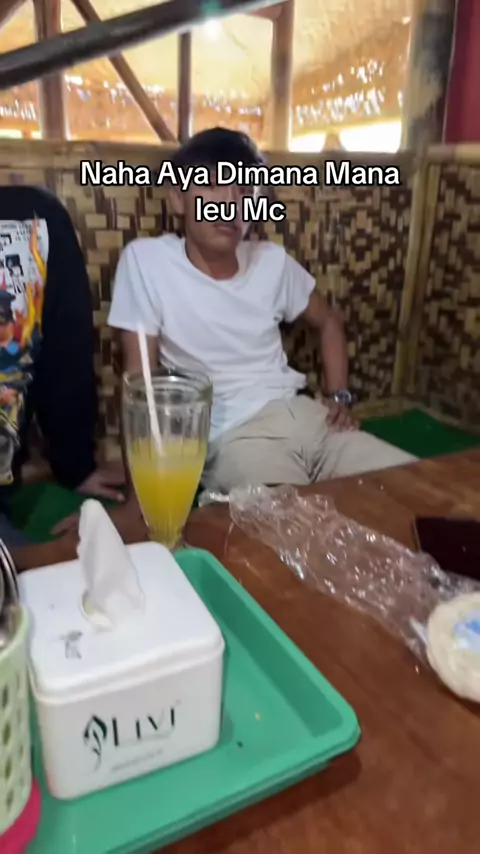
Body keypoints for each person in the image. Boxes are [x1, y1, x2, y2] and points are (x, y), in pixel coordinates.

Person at [108, 127, 416, 495]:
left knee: (421, 486)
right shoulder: (147, 261)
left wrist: (340, 397)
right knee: (286, 518)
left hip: (310, 419)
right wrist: (136, 499)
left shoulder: (271, 262)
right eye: (212, 184)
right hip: (237, 437)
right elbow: (138, 383)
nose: (229, 203)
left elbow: (329, 322)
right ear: (177, 197)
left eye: (243, 190)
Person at [0, 185, 124, 547]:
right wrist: (75, 466)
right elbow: (65, 358)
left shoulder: (35, 218)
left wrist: (75, 467)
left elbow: (65, 358)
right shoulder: (33, 214)